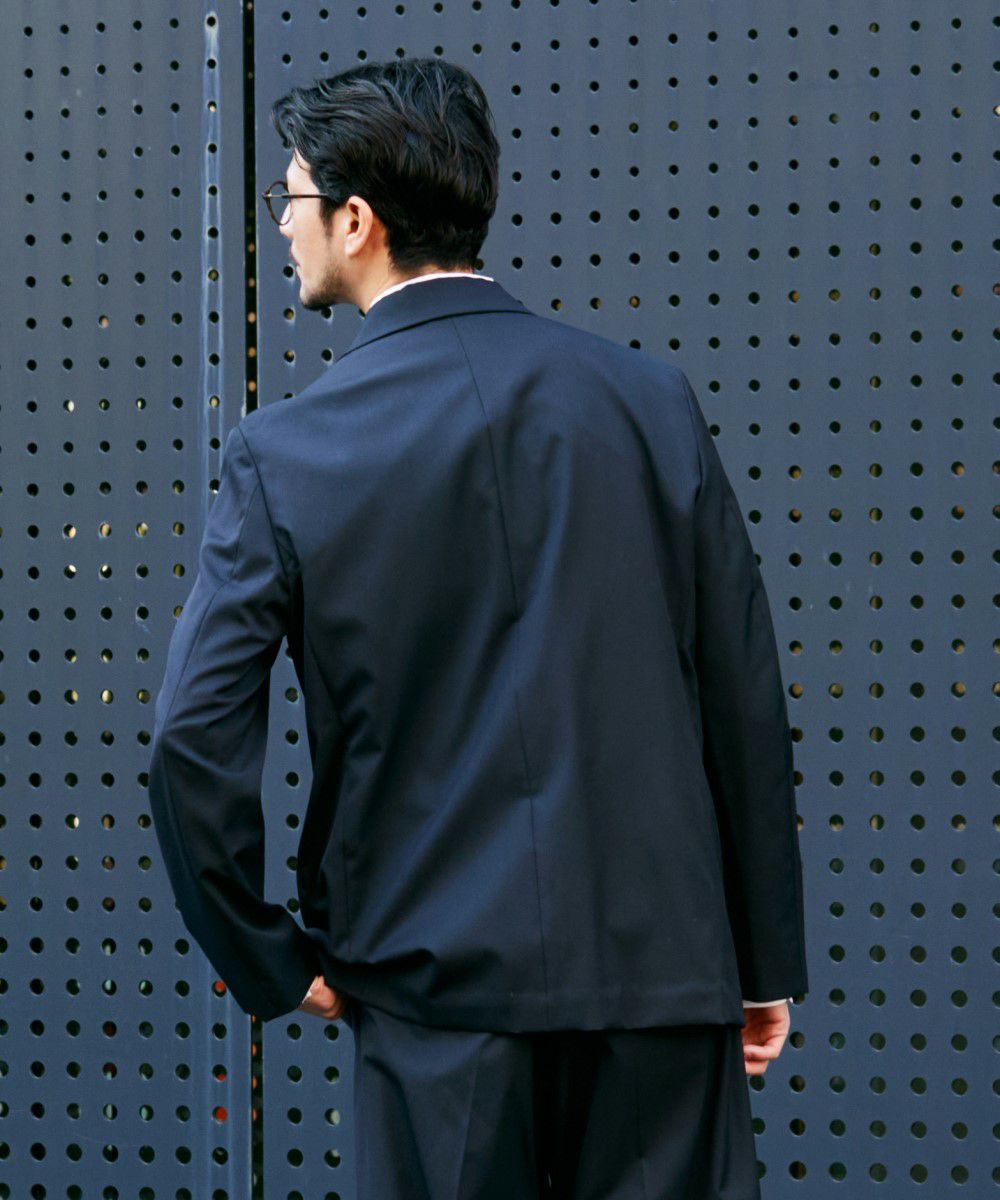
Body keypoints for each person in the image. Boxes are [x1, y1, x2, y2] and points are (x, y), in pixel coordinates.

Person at [147, 56, 808, 1198]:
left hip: (430, 1001)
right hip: (659, 988)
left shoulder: (286, 455)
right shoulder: (650, 403)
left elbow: (189, 741)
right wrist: (760, 961)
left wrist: (268, 958)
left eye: (290, 199)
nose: (283, 227)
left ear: (357, 220)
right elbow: (742, 698)